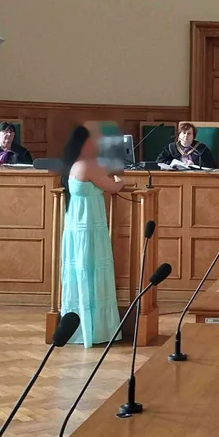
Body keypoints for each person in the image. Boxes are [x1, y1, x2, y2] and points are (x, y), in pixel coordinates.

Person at [59, 125, 125, 346]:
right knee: (91, 274)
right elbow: (113, 187)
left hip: (77, 227)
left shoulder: (72, 164)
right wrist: (120, 182)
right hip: (89, 229)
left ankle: (77, 329)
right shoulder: (88, 165)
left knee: (80, 275)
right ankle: (96, 330)